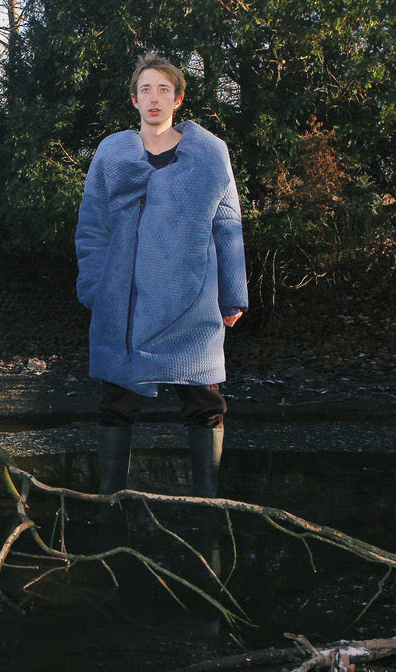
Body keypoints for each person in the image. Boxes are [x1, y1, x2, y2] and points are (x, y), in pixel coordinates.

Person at [74, 54, 248, 498]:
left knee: (205, 403)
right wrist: (96, 286)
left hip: (194, 300)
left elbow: (227, 224)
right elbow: (92, 225)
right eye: (146, 90)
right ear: (134, 99)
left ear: (178, 97)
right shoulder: (112, 153)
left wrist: (233, 297)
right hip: (125, 303)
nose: (155, 98)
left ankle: (207, 506)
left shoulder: (210, 153)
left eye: (164, 90)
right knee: (116, 404)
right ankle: (110, 504)